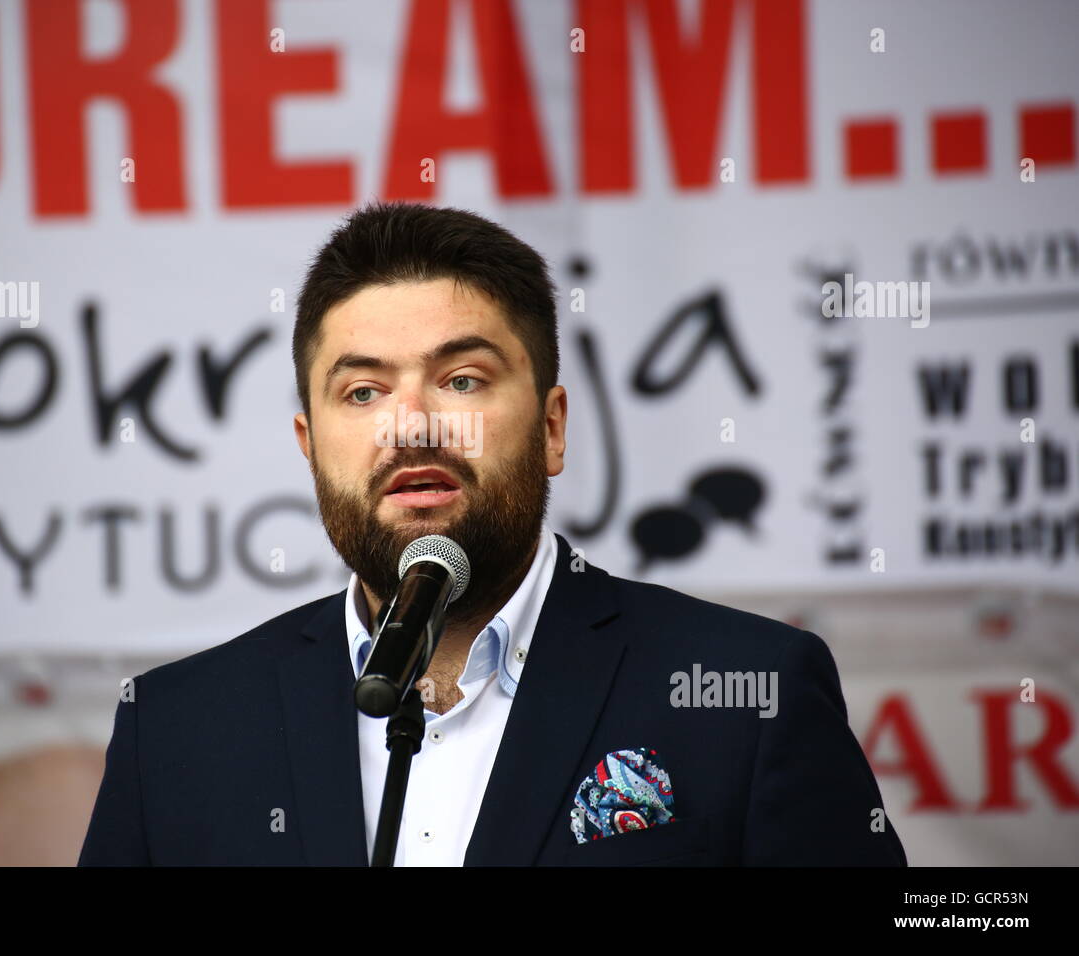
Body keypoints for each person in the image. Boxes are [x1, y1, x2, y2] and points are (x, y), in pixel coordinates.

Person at [78, 201, 907, 866]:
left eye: (462, 379)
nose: (412, 427)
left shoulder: (745, 692)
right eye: (362, 392)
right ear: (310, 444)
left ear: (551, 428)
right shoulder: (178, 734)